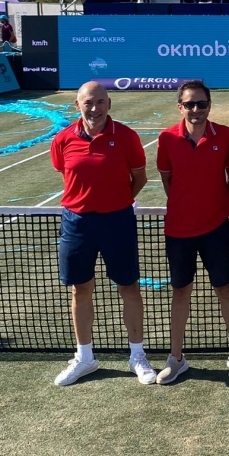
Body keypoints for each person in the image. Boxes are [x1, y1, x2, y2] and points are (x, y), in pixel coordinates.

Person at [50, 81, 155, 386]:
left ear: (109, 104)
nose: (94, 108)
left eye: (99, 102)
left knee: (129, 288)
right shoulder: (63, 139)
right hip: (76, 223)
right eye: (88, 103)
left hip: (117, 222)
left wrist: (117, 201)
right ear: (77, 105)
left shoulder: (127, 137)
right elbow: (66, 174)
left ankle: (137, 355)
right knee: (80, 290)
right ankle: (85, 358)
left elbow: (139, 177)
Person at [154, 80, 229, 384]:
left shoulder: (226, 136)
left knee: (225, 289)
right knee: (181, 292)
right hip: (178, 230)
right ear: (180, 106)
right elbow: (170, 183)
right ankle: (176, 358)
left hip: (216, 228)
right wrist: (186, 206)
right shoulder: (166, 139)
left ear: (209, 105)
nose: (196, 109)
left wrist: (215, 205)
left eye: (201, 103)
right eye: (190, 104)